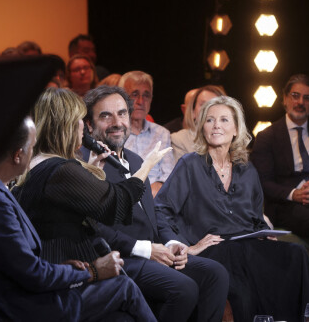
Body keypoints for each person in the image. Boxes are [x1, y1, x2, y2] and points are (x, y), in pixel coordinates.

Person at [0, 116, 156, 321]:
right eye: (32, 147)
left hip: (17, 295)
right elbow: (32, 274)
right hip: (20, 308)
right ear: (18, 155)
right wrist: (92, 271)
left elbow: (15, 262)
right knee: (123, 286)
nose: (35, 154)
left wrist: (68, 269)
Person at [155, 96, 309, 322]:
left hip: (246, 243)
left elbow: (255, 215)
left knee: (295, 254)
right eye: (209, 120)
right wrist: (182, 246)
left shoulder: (246, 169)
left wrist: (264, 232)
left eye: (223, 119)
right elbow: (161, 209)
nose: (216, 125)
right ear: (202, 128)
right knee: (242, 272)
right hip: (213, 247)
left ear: (236, 130)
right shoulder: (190, 164)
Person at [81, 85, 229, 322]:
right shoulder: (86, 164)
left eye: (121, 114)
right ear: (89, 124)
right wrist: (147, 250)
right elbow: (94, 227)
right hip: (121, 257)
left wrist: (171, 243)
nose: (117, 122)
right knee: (184, 288)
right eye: (105, 116)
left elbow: (152, 215)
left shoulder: (136, 159)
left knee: (215, 273)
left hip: (153, 252)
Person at [14, 87, 171, 265]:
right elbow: (116, 205)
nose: (83, 125)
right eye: (79, 119)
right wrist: (148, 165)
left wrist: (91, 171)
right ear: (65, 125)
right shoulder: (61, 170)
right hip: (64, 264)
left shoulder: (41, 162)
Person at [250, 74, 309, 278]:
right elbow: (263, 182)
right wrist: (295, 194)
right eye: (295, 95)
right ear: (284, 99)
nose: (300, 102)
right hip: (287, 206)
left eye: (307, 98)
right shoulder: (267, 137)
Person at [118, 71, 175, 197]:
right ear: (122, 98)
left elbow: (169, 175)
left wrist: (154, 191)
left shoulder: (162, 133)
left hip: (155, 199)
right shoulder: (115, 133)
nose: (140, 101)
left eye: (146, 95)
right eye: (134, 94)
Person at [171, 85, 226, 162]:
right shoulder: (179, 140)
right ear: (193, 112)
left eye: (214, 104)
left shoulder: (232, 139)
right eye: (203, 104)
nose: (208, 108)